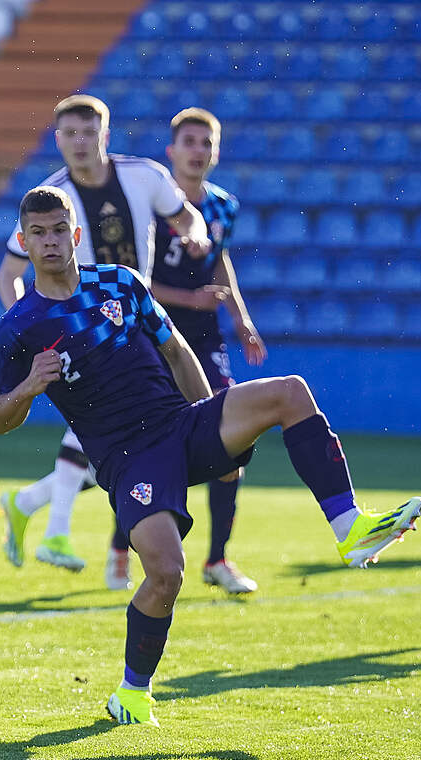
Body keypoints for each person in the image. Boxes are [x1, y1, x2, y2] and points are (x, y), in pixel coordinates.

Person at [0, 186, 421, 726]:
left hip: (181, 423)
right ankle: (132, 691)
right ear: (24, 243)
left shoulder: (120, 283)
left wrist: (215, 425)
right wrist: (29, 386)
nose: (51, 241)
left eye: (59, 230)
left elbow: (174, 349)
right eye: (39, 233)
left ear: (76, 234)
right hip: (130, 461)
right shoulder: (19, 327)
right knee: (167, 573)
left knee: (290, 391)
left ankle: (350, 527)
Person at [0, 94, 211, 578]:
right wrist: (31, 322)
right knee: (101, 426)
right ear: (58, 141)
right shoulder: (48, 202)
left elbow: (185, 214)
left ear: (104, 136)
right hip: (80, 329)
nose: (79, 142)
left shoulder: (145, 175)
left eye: (88, 133)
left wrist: (195, 232)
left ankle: (27, 502)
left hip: (140, 318)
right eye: (69, 134)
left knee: (127, 443)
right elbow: (7, 271)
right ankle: (58, 533)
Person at [141, 107, 268, 595]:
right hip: (153, 332)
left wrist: (241, 317)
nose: (198, 151)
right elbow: (138, 279)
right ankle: (121, 546)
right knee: (150, 437)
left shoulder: (222, 207)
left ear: (216, 152)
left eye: (206, 143)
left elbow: (221, 263)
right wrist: (187, 299)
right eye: (189, 142)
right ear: (171, 151)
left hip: (206, 335)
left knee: (230, 443)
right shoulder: (153, 207)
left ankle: (217, 558)